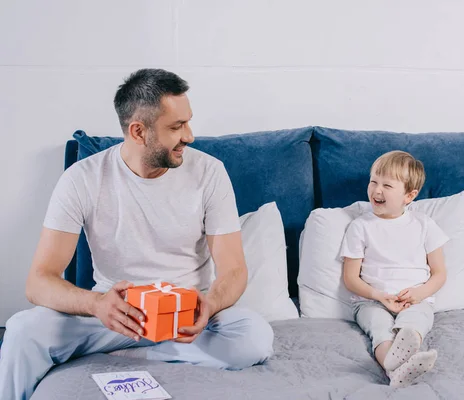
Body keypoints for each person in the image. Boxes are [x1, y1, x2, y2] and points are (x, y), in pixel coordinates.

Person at [0, 68, 274, 400]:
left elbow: (234, 269)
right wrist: (98, 304)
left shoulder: (209, 173)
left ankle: (135, 356)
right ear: (138, 131)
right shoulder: (82, 179)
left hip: (185, 323)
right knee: (21, 331)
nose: (189, 135)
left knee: (254, 336)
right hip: (112, 321)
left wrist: (210, 303)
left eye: (187, 122)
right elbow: (39, 281)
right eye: (176, 127)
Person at [340, 150, 449, 388]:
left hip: (414, 300)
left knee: (414, 324)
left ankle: (401, 360)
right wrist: (379, 296)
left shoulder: (424, 225)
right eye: (373, 182)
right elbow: (350, 277)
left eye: (387, 185)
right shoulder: (360, 227)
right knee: (380, 329)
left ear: (409, 195)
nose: (376, 190)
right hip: (371, 301)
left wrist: (419, 294)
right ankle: (395, 369)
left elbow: (440, 273)